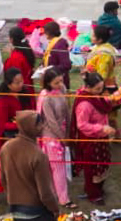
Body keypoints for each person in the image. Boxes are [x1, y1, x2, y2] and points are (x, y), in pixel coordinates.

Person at [0, 111, 61, 221]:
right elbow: (45, 193)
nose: (42, 127)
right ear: (28, 126)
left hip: (15, 209)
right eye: (38, 124)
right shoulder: (38, 155)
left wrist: (13, 197)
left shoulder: (6, 147)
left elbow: (3, 179)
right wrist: (55, 209)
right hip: (37, 211)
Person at [73, 71, 116, 205]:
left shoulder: (95, 97)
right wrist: (101, 128)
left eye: (101, 88)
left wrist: (115, 98)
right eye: (97, 89)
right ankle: (93, 194)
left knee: (101, 165)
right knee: (92, 168)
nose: (100, 91)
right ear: (88, 87)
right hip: (90, 140)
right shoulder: (84, 104)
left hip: (100, 138)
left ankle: (98, 189)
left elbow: (103, 105)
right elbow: (82, 125)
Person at [36, 68, 73, 210]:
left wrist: (68, 131)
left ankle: (54, 193)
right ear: (48, 83)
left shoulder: (61, 89)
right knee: (57, 168)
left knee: (56, 167)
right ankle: (63, 199)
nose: (60, 84)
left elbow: (66, 111)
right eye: (56, 82)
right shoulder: (46, 98)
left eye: (61, 80)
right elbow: (51, 122)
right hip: (50, 136)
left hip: (62, 132)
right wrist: (63, 138)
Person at [39, 22, 71, 91]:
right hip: (51, 80)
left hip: (58, 81)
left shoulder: (59, 45)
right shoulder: (52, 43)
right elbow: (49, 57)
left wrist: (50, 70)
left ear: (48, 33)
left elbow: (66, 65)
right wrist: (42, 65)